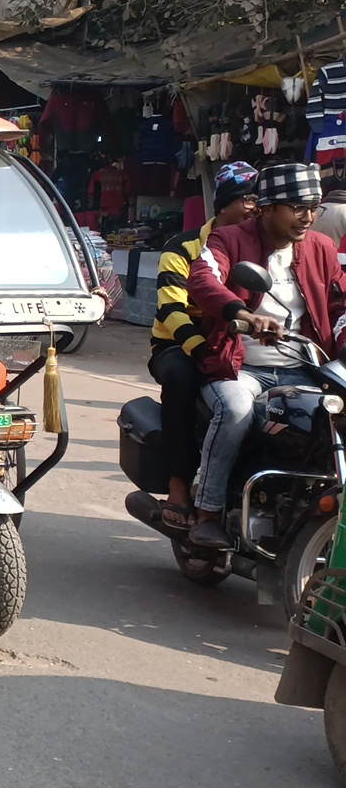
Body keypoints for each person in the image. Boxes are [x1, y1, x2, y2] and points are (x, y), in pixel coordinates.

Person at [185, 162, 346, 549]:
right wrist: (242, 314)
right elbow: (202, 278)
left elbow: (340, 304)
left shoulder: (322, 248)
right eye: (296, 207)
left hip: (304, 368)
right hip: (240, 365)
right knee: (236, 410)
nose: (307, 217)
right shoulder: (228, 240)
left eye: (312, 207)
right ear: (267, 208)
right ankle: (206, 512)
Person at [142, 162, 258, 529]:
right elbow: (171, 310)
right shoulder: (183, 247)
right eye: (248, 199)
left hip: (236, 343)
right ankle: (178, 485)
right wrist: (201, 350)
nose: (255, 207)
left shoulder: (260, 248)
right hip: (180, 344)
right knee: (181, 378)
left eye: (260, 200)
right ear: (224, 205)